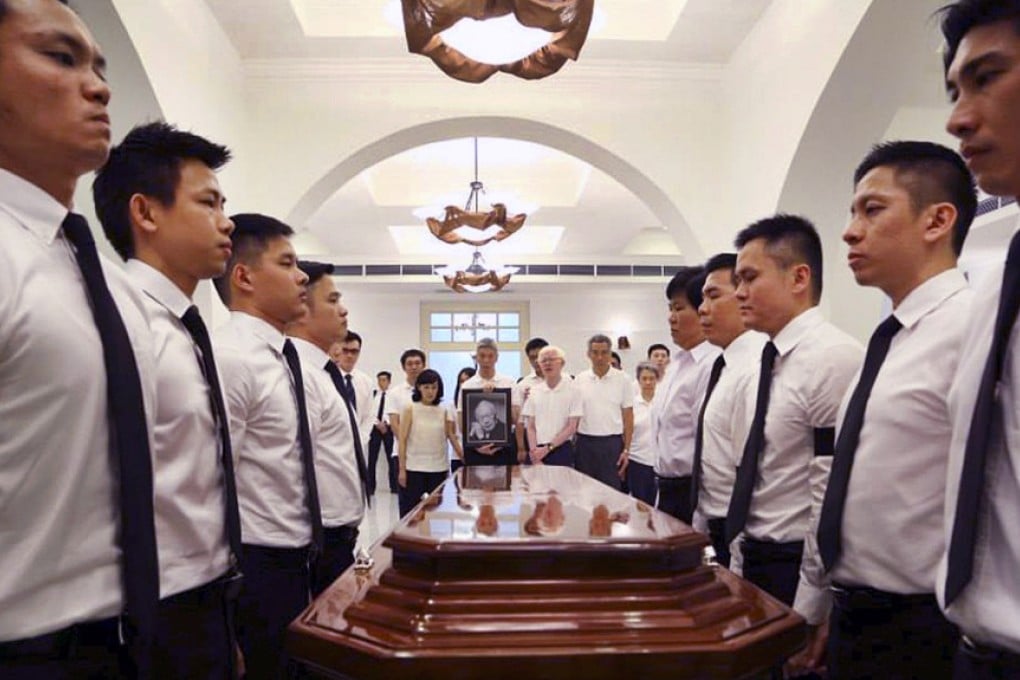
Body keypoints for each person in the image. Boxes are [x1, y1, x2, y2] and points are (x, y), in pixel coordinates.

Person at [0, 1, 159, 676]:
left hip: (124, 642)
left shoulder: (110, 279)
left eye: (99, 68)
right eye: (60, 58)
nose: (99, 88)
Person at [790, 142, 976, 679]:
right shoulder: (889, 340)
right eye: (852, 213)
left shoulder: (974, 328)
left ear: (937, 220)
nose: (850, 232)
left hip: (926, 625)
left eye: (872, 210)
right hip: (858, 611)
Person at [94, 121, 242, 679]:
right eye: (208, 203)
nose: (226, 221)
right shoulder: (115, 320)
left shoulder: (184, 328)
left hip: (209, 597)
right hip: (148, 612)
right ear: (146, 213)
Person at [938, 2, 1020, 675]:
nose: (958, 119)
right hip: (976, 651)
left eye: (987, 78)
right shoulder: (991, 289)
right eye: (953, 92)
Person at [726, 215, 863, 614]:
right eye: (737, 281)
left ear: (799, 278)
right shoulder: (765, 361)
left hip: (795, 565)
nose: (739, 293)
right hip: (754, 554)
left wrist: (812, 600)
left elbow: (830, 490)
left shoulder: (833, 357)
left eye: (750, 278)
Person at [212, 213, 315, 680]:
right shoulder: (233, 357)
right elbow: (216, 480)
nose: (302, 276)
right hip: (257, 563)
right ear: (245, 277)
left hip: (293, 555)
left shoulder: (278, 355)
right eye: (287, 263)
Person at [289, 261, 368, 598]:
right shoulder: (299, 373)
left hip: (339, 533)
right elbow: (293, 463)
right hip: (318, 536)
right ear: (301, 309)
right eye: (333, 300)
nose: (344, 310)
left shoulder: (324, 373)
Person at [692, 252, 767, 570]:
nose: (702, 308)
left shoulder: (754, 368)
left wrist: (737, 556)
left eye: (713, 296)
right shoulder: (725, 365)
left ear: (744, 296)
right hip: (716, 528)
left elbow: (752, 474)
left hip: (740, 536)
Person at [653, 267, 721, 523]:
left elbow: (709, 447)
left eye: (679, 309)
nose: (671, 318)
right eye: (669, 308)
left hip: (692, 490)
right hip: (666, 487)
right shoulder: (677, 364)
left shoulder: (711, 364)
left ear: (703, 310)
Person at [398, 369, 462, 517]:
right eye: (426, 387)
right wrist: (402, 469)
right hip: (414, 468)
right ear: (419, 387)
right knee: (410, 513)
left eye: (434, 387)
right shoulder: (410, 408)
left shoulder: (443, 410)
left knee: (435, 513)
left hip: (438, 468)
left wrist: (463, 456)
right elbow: (402, 440)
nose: (430, 391)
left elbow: (450, 436)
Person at [573, 334, 633, 491]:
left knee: (610, 492)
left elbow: (628, 416)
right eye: (595, 352)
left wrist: (626, 450)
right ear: (588, 354)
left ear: (610, 353)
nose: (599, 357)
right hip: (585, 444)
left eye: (604, 352)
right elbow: (574, 415)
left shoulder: (623, 379)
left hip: (612, 444)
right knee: (585, 492)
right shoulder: (579, 379)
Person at [459, 338, 521, 466]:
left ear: (496, 357)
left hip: (504, 450)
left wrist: (497, 395)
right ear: (476, 358)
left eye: (490, 356)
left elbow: (516, 419)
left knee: (506, 479)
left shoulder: (509, 383)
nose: (486, 360)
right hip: (475, 451)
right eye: (482, 356)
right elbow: (461, 424)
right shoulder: (467, 386)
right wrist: (477, 447)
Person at [523, 345, 583, 467]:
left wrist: (547, 449)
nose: (547, 363)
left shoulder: (574, 390)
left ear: (562, 363)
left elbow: (571, 427)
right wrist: (534, 454)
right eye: (543, 360)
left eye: (552, 359)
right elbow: (531, 427)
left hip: (561, 449)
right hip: (537, 450)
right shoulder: (534, 391)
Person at [329, 330, 374, 451]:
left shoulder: (366, 382)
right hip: (331, 444)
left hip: (358, 445)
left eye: (354, 351)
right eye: (345, 350)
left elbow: (369, 416)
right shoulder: (326, 378)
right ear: (337, 350)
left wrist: (361, 440)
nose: (349, 355)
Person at [628, 362, 661, 505]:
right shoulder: (631, 405)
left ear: (657, 380)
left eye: (652, 378)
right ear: (638, 380)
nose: (648, 382)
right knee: (640, 505)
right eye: (644, 378)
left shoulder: (663, 402)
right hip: (637, 460)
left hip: (660, 462)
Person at [514, 337, 548, 455]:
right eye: (532, 357)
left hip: (557, 437)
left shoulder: (564, 380)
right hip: (531, 437)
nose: (536, 361)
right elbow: (520, 419)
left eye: (539, 356)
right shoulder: (523, 385)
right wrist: (521, 448)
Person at [368, 370, 396, 494]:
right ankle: (370, 487)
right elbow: (369, 412)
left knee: (391, 458)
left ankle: (394, 487)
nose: (381, 383)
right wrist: (377, 423)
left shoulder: (393, 396)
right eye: (379, 380)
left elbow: (395, 411)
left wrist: (386, 423)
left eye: (384, 380)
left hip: (388, 428)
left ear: (389, 381)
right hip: (375, 428)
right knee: (372, 458)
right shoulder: (373, 395)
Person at [450, 366, 477, 473]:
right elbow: (451, 433)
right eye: (461, 381)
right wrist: (461, 454)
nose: (464, 384)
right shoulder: (452, 405)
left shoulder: (481, 404)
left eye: (468, 380)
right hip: (458, 456)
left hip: (479, 455)